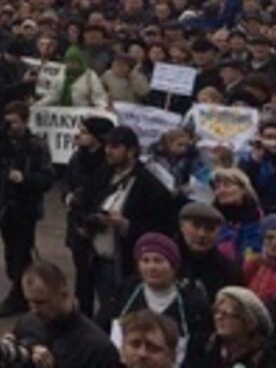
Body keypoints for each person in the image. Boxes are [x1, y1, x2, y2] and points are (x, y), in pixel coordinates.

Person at [79, 125, 178, 322]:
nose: (108, 151)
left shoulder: (149, 186)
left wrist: (126, 226)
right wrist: (87, 223)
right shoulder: (103, 174)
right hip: (97, 258)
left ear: (131, 151)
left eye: (115, 146)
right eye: (107, 145)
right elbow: (85, 201)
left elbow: (162, 229)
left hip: (126, 265)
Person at [0, 100, 53, 316]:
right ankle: (20, 285)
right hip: (3, 205)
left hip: (26, 208)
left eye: (15, 122)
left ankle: (19, 293)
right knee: (11, 251)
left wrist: (24, 178)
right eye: (7, 122)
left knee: (21, 252)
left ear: (25, 122)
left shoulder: (36, 145)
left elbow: (47, 178)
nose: (11, 127)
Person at [103, 232, 210, 366]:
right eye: (145, 261)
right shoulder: (124, 292)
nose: (151, 267)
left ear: (173, 266)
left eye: (158, 261)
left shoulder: (191, 302)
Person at [4, 260, 120, 368]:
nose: (34, 310)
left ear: (64, 295)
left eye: (41, 302)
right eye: (29, 301)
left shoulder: (97, 349)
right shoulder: (28, 323)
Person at [66, 115, 114, 316]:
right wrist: (68, 196)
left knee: (104, 284)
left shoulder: (109, 165)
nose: (79, 135)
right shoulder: (77, 158)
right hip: (77, 226)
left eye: (85, 132)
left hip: (100, 230)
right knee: (82, 280)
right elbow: (68, 184)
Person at [178, 201, 245, 304]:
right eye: (196, 226)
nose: (202, 234)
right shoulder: (166, 262)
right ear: (182, 227)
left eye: (210, 229)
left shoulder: (229, 271)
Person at [203, 286, 274, 367]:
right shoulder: (206, 350)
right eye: (216, 312)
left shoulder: (265, 359)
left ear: (249, 323)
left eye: (226, 313)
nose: (218, 317)